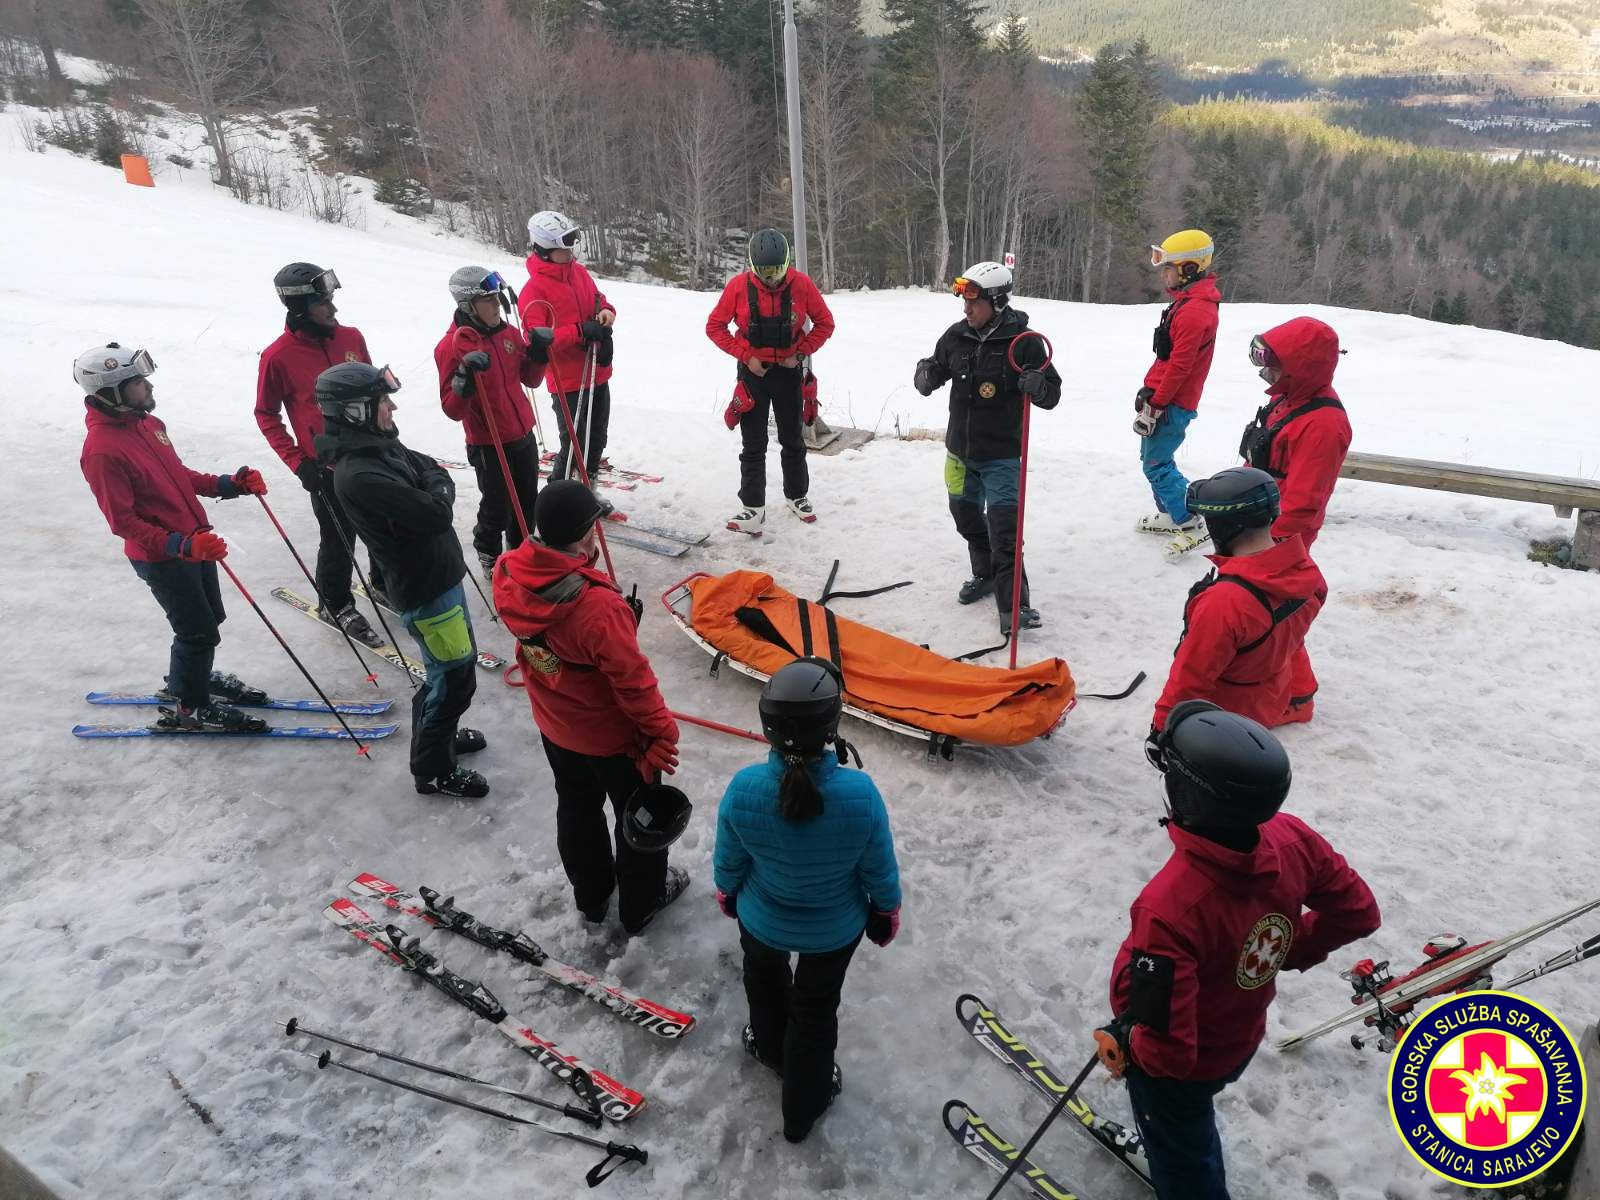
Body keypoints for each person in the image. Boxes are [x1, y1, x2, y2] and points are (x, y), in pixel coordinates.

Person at [1098, 703, 1380, 1199]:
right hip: (1239, 1037)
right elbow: (1358, 911)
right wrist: (1286, 948)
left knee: (1184, 1151)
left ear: (1184, 792)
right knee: (1188, 1130)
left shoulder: (1171, 908)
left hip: (1186, 1068)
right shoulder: (1292, 837)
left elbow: (1169, 1055)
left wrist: (1130, 1046)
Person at [713, 658, 901, 1144]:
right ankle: (804, 1106)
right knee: (815, 1013)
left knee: (764, 981)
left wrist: (728, 894)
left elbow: (729, 859)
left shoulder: (744, 788)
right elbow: (877, 867)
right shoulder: (859, 794)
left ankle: (769, 1048)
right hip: (832, 932)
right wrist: (885, 911)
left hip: (761, 919)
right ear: (831, 724)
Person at [494, 479, 688, 935]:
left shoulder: (508, 570)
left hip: (556, 724)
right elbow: (633, 683)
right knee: (640, 818)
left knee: (577, 807)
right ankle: (642, 904)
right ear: (585, 533)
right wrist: (661, 732)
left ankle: (593, 896)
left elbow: (558, 645)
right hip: (612, 739)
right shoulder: (597, 607)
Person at [313, 363, 489, 799]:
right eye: (382, 402)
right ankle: (432, 768)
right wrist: (437, 491)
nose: (391, 408)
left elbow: (431, 469)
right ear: (355, 411)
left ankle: (439, 737)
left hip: (441, 575)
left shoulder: (380, 446)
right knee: (453, 679)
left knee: (447, 673)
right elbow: (436, 511)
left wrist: (435, 486)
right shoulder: (360, 473)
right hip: (427, 588)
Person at [76, 343, 270, 732]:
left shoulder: (150, 425)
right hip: (162, 557)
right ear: (110, 394)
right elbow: (123, 522)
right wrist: (181, 546)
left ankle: (192, 678)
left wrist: (228, 484)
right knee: (196, 630)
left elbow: (178, 475)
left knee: (209, 620)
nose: (147, 387)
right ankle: (190, 708)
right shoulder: (101, 451)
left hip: (194, 544)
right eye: (136, 383)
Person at [912, 261, 1062, 635]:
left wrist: (1038, 385)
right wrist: (925, 375)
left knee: (1005, 533)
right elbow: (933, 364)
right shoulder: (956, 336)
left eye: (974, 303)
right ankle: (985, 574)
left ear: (996, 302)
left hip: (1002, 458)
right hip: (960, 454)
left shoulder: (1024, 342)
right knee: (966, 519)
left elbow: (1053, 393)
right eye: (963, 302)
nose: (966, 310)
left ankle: (1015, 607)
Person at [255, 261, 384, 643]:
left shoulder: (352, 337)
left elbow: (373, 389)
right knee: (339, 537)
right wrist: (298, 462)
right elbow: (266, 414)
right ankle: (335, 602)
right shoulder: (278, 356)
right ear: (299, 308)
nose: (333, 309)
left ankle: (382, 581)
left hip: (372, 453)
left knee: (382, 524)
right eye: (323, 302)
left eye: (331, 299)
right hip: (326, 466)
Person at [1152, 468, 1327, 731]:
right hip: (1267, 698)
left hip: (1220, 717)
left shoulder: (1225, 603)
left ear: (1222, 527)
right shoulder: (1305, 571)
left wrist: (1162, 729)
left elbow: (1190, 677)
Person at [705, 228, 836, 535]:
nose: (772, 279)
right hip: (753, 374)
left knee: (792, 439)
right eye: (765, 272)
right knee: (753, 444)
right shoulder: (738, 288)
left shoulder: (802, 285)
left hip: (788, 373)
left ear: (786, 263)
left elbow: (825, 323)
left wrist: (801, 353)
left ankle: (797, 495)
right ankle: (752, 507)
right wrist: (745, 356)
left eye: (777, 271)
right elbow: (715, 326)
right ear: (752, 267)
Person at [434, 264, 551, 581]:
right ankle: (489, 549)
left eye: (498, 297)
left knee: (527, 498)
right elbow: (452, 409)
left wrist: (539, 353)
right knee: (498, 504)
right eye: (488, 300)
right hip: (488, 440)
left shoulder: (509, 334)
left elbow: (531, 379)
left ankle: (522, 548)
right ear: (468, 306)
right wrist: (464, 378)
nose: (497, 304)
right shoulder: (452, 347)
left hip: (521, 430)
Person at [1136, 230, 1222, 557]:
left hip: (1173, 402)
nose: (1163, 273)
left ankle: (1189, 521)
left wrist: (1157, 403)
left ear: (1188, 269)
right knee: (1152, 458)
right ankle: (1174, 513)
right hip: (1163, 396)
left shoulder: (1195, 311)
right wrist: (1149, 391)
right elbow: (1167, 360)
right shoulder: (1185, 304)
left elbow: (1181, 368)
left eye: (1168, 267)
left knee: (1156, 464)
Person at [1238, 316, 1352, 552]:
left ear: (1299, 368)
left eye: (1273, 366)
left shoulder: (1324, 425)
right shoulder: (1286, 397)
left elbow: (1304, 502)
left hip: (1280, 534)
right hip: (1257, 515)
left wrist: (1268, 543)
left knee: (1264, 588)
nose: (1266, 372)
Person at [517, 211, 615, 482]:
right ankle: (557, 493)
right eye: (563, 247)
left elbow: (599, 299)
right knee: (575, 442)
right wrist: (579, 332)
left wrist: (606, 313)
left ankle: (587, 489)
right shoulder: (533, 291)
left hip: (596, 371)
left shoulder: (579, 273)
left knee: (597, 438)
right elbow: (535, 341)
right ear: (544, 249)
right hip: (567, 381)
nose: (570, 252)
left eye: (571, 244)